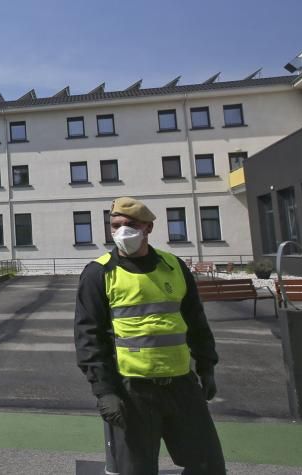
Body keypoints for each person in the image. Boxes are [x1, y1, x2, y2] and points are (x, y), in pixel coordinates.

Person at [74, 197, 226, 475]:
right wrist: (105, 391)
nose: (122, 231)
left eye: (130, 225)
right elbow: (88, 336)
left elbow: (196, 323)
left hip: (182, 386)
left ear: (149, 228)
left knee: (208, 465)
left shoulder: (174, 266)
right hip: (132, 392)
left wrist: (207, 367)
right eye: (115, 225)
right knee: (136, 470)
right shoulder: (99, 273)